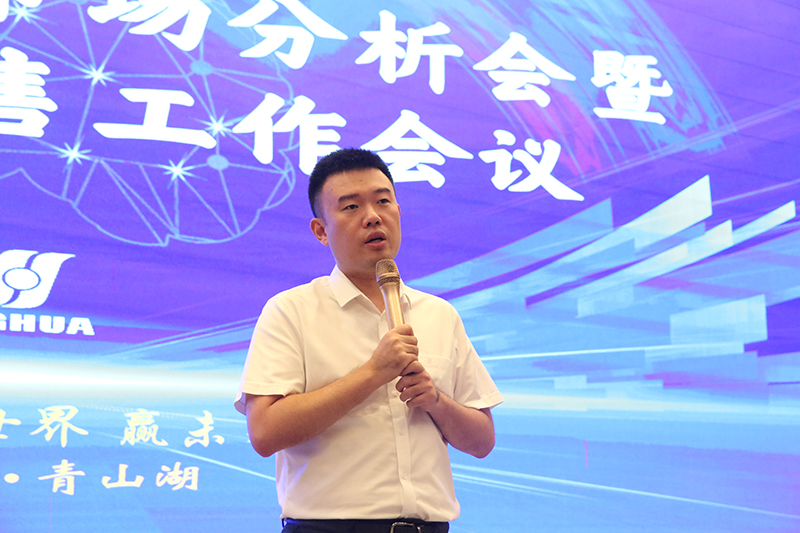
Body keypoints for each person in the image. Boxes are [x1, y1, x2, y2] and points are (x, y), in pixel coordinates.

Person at [234, 148, 503, 533]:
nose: (373, 216)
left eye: (383, 201)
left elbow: (482, 441)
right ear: (321, 231)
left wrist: (436, 401)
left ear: (398, 212)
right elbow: (265, 433)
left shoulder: (439, 314)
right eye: (350, 207)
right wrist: (374, 373)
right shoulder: (291, 311)